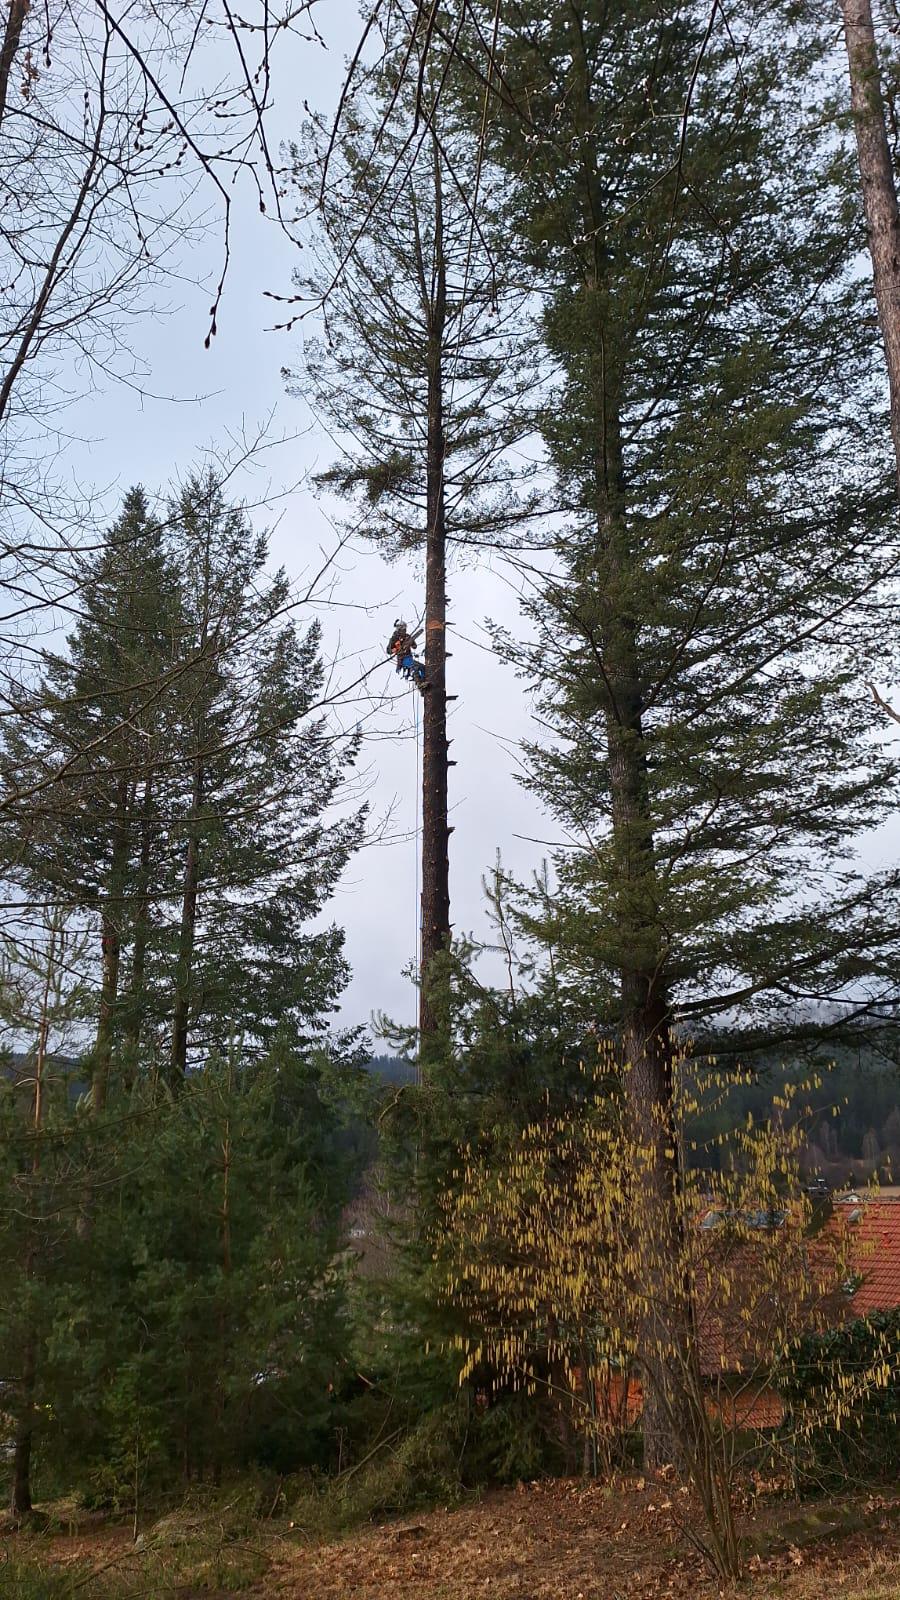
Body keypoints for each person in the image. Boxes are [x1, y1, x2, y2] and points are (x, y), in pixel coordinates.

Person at [386, 619, 428, 689]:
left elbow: (415, 646)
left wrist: (411, 643)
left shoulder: (407, 636)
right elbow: (388, 650)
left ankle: (424, 680)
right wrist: (394, 649)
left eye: (405, 628)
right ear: (399, 628)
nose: (404, 629)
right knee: (415, 667)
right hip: (402, 659)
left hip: (409, 657)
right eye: (403, 628)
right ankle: (420, 684)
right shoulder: (394, 638)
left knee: (422, 667)